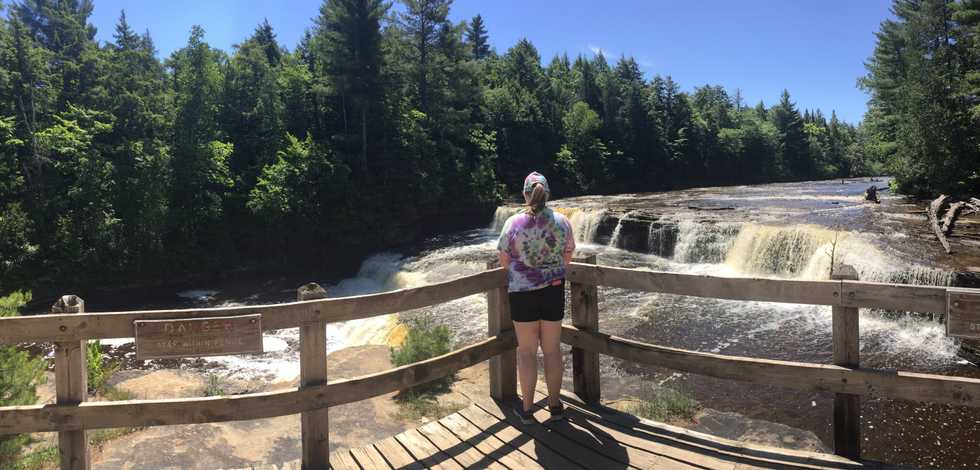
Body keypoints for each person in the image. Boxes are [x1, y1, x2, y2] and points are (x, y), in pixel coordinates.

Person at [497, 171, 576, 424]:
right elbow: (567, 256)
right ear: (547, 193)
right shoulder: (563, 221)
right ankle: (554, 407)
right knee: (552, 350)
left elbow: (504, 259)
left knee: (527, 352)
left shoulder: (513, 223)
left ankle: (528, 410)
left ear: (525, 194)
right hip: (553, 290)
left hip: (522, 294)